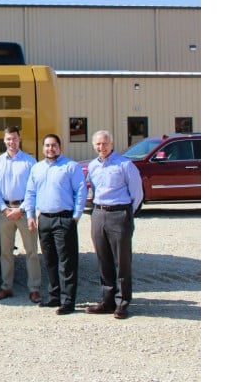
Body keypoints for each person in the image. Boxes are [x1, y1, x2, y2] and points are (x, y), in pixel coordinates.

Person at [22, 134, 87, 315]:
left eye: (54, 145)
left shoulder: (70, 167)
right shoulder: (37, 168)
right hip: (44, 219)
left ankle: (68, 301)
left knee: (66, 262)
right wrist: (30, 215)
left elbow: (80, 191)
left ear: (60, 147)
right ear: (43, 148)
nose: (50, 149)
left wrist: (76, 216)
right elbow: (30, 192)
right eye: (47, 145)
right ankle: (54, 296)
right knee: (50, 260)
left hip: (64, 219)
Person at [85, 130, 143, 320]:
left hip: (119, 213)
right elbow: (92, 189)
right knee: (103, 260)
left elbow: (137, 193)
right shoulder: (93, 166)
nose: (101, 147)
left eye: (104, 143)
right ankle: (107, 301)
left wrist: (127, 214)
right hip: (99, 213)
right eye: (98, 144)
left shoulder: (125, 164)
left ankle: (122, 303)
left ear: (112, 143)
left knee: (122, 261)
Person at [0, 126, 42, 304]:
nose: (11, 142)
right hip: (4, 212)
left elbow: (34, 189)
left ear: (20, 139)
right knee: (5, 252)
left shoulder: (30, 162)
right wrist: (4, 208)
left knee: (31, 251)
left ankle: (34, 289)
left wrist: (22, 209)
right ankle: (6, 287)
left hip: (25, 211)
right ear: (4, 141)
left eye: (14, 138)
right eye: (8, 139)